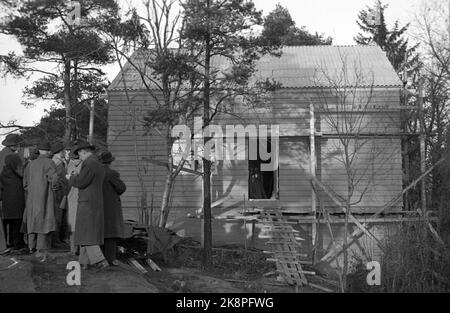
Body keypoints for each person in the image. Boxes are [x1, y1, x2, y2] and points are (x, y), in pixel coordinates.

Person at [67, 141, 109, 270]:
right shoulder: (97, 163)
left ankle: (100, 260)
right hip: (94, 201)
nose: (79, 157)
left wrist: (71, 177)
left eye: (79, 154)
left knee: (87, 234)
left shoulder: (88, 163)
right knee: (85, 232)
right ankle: (84, 262)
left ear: (84, 152)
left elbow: (81, 182)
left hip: (87, 202)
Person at [23, 139, 59, 262]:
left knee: (32, 222)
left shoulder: (30, 164)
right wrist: (55, 188)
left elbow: (25, 184)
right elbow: (54, 178)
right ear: (48, 151)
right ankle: (41, 251)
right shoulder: (49, 162)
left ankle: (31, 247)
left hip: (32, 198)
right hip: (45, 197)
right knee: (44, 223)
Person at [99, 151, 126, 266]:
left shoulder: (95, 172)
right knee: (111, 233)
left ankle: (99, 258)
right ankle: (110, 258)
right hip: (110, 207)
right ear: (110, 162)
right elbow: (121, 188)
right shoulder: (112, 174)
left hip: (97, 205)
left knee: (100, 232)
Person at [0, 134, 22, 253]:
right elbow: (21, 172)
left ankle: (6, 243)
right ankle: (16, 244)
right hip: (14, 190)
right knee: (16, 219)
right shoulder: (12, 156)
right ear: (14, 145)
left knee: (5, 220)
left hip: (3, 189)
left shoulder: (1, 153)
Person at [51, 141, 68, 246]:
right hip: (59, 193)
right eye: (63, 150)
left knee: (58, 215)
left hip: (59, 192)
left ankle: (57, 239)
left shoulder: (56, 162)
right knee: (58, 216)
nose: (65, 152)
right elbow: (56, 178)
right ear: (60, 151)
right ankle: (56, 240)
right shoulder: (58, 163)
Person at [66, 145, 82, 254]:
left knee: (72, 225)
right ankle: (82, 249)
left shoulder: (70, 165)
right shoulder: (85, 165)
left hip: (71, 197)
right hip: (81, 197)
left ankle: (73, 249)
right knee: (82, 224)